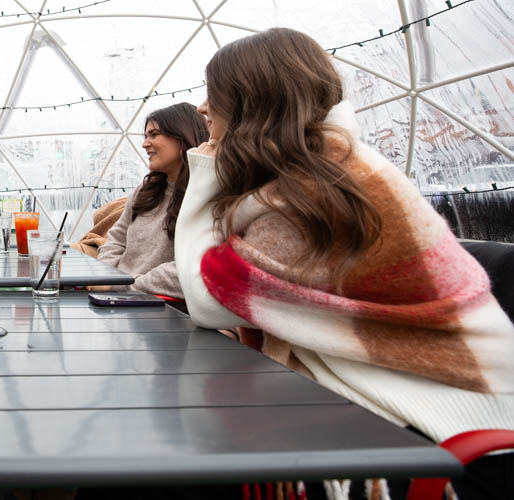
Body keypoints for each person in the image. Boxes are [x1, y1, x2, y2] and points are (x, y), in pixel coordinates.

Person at [174, 27, 514, 498]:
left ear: (250, 101)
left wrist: (206, 169)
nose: (202, 107)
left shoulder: (315, 192)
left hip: (455, 446)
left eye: (213, 93)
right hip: (430, 411)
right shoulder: (320, 169)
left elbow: (206, 299)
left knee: (185, 463)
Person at [91, 103, 208, 297]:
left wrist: (122, 286)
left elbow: (190, 269)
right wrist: (107, 277)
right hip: (117, 295)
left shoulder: (203, 196)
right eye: (146, 136)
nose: (145, 144)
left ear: (182, 136)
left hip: (164, 307)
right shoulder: (145, 191)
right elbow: (116, 240)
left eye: (154, 134)